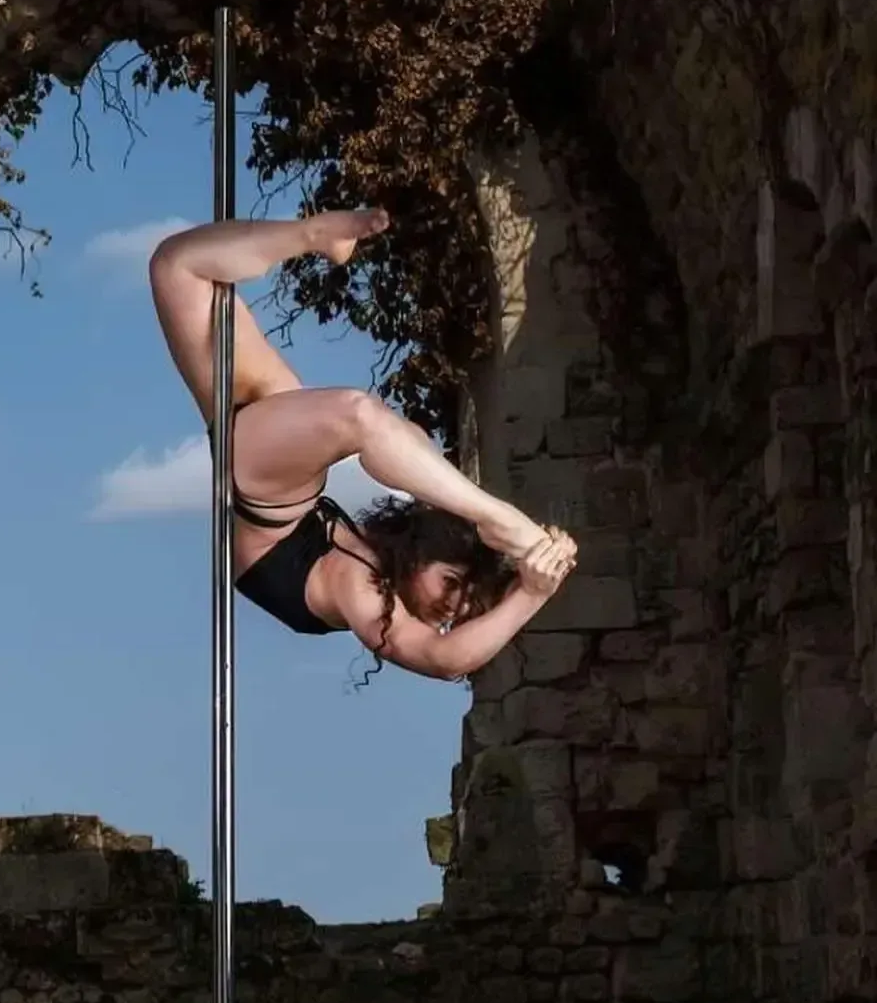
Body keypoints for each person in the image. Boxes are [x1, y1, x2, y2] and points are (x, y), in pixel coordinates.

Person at [149, 208, 577, 681]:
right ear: (416, 553)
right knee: (176, 266)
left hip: (267, 494)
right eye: (451, 584)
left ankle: (497, 518)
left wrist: (532, 594)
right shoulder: (375, 556)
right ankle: (309, 235)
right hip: (269, 450)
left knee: (360, 417)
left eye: (461, 609)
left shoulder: (361, 588)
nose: (449, 607)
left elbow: (445, 659)